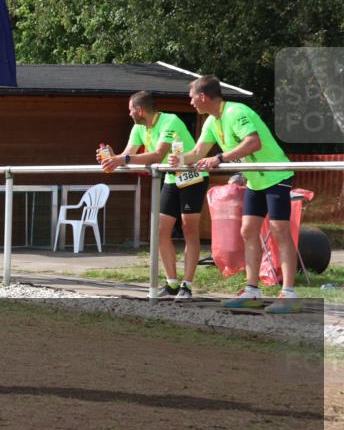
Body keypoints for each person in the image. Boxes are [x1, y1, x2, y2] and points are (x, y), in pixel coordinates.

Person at [178, 75, 298, 314]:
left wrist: (220, 158)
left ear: (202, 97)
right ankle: (252, 291)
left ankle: (289, 294)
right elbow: (198, 151)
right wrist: (179, 160)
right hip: (255, 180)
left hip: (276, 175)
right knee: (247, 231)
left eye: (191, 99)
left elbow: (253, 143)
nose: (190, 103)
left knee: (279, 231)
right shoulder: (212, 121)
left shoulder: (235, 111)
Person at [100, 91, 207, 299]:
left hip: (192, 176)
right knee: (160, 231)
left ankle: (187, 285)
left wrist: (123, 159)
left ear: (140, 110)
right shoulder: (138, 126)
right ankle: (172, 284)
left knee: (189, 230)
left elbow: (158, 154)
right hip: (170, 178)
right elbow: (127, 154)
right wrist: (112, 157)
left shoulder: (170, 120)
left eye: (130, 109)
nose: (129, 113)